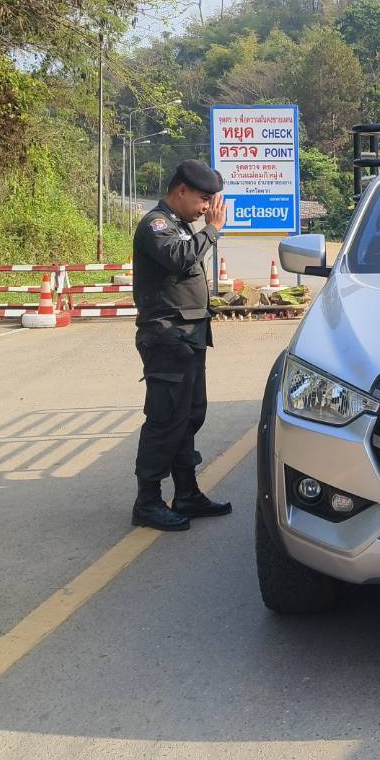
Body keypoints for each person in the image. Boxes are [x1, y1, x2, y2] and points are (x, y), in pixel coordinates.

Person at [130, 159, 233, 531]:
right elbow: (180, 259)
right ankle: (148, 502)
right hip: (167, 338)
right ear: (181, 190)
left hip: (188, 338)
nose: (207, 207)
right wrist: (213, 230)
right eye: (203, 199)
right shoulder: (156, 225)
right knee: (164, 420)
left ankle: (187, 493)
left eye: (210, 201)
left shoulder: (182, 226)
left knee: (188, 418)